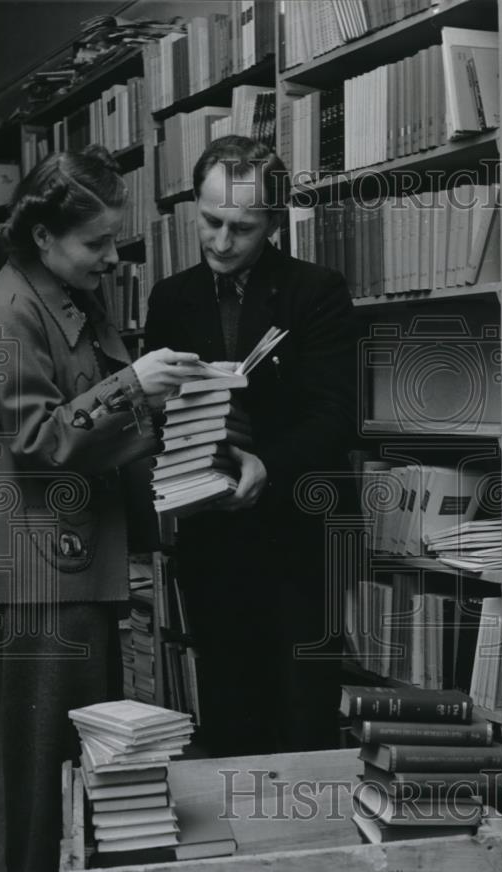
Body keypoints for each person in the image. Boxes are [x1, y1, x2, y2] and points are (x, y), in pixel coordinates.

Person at [0, 145, 204, 872]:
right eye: (96, 243)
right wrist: (135, 384)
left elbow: (92, 422)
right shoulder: (7, 313)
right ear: (43, 239)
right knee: (46, 756)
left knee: (84, 745)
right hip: (40, 562)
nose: (112, 257)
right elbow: (38, 440)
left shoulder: (64, 296)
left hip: (75, 551)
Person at [144, 135, 358, 757]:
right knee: (229, 708)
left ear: (273, 220)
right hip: (211, 532)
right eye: (210, 221)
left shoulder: (315, 290)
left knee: (302, 712)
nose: (220, 241)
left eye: (241, 227)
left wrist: (268, 463)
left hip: (297, 532)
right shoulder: (169, 297)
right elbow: (156, 414)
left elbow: (337, 415)